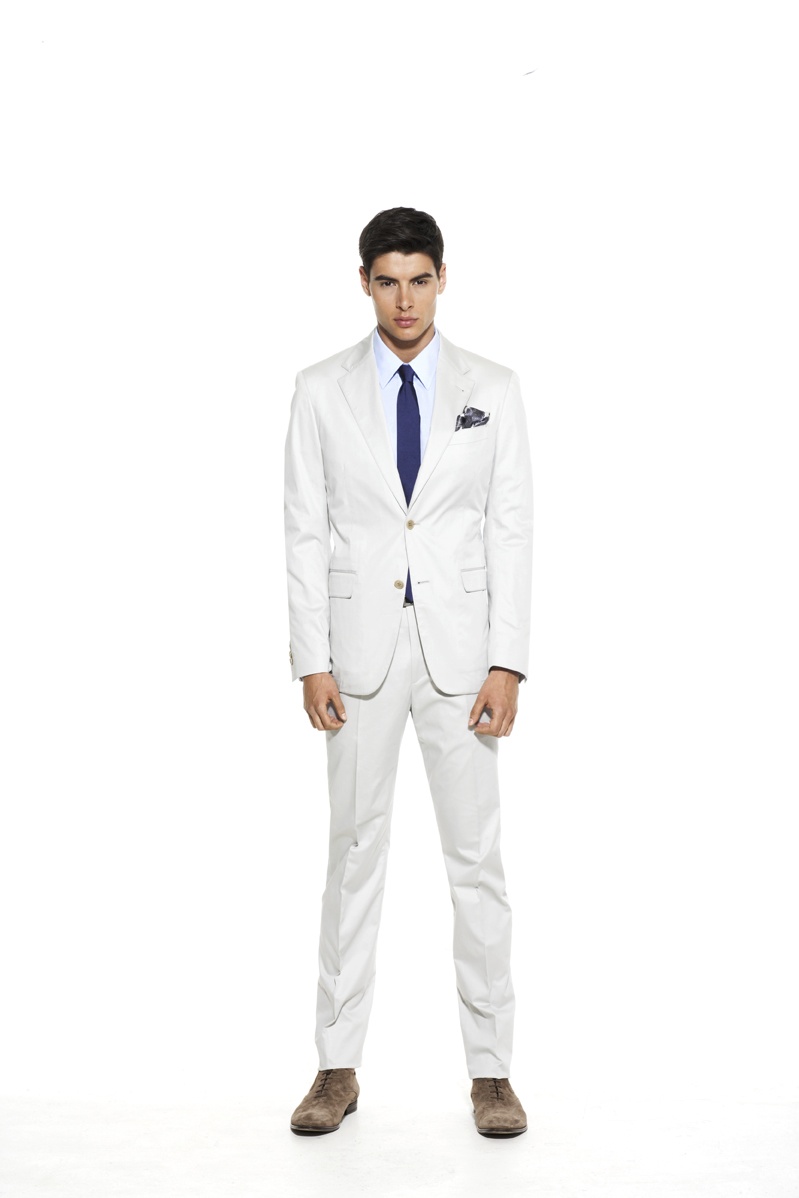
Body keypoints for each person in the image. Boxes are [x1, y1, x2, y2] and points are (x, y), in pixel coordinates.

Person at [283, 207, 533, 1138]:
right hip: (357, 659)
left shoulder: (492, 388)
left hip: (463, 661)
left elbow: (511, 529)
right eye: (387, 281)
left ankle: (491, 1073)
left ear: (441, 279)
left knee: (476, 862)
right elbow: (302, 531)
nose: (404, 299)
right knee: (353, 857)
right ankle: (335, 1066)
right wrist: (311, 660)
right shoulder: (319, 389)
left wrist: (507, 661)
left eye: (419, 279)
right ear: (364, 283)